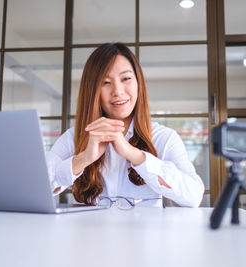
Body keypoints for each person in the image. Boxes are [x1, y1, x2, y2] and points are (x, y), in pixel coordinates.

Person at [46, 43, 204, 208]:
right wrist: (84, 158)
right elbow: (37, 187)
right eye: (106, 82)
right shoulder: (73, 137)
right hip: (88, 233)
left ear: (138, 83)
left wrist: (136, 156)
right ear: (92, 91)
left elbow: (193, 196)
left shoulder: (163, 138)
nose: (118, 91)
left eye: (126, 79)